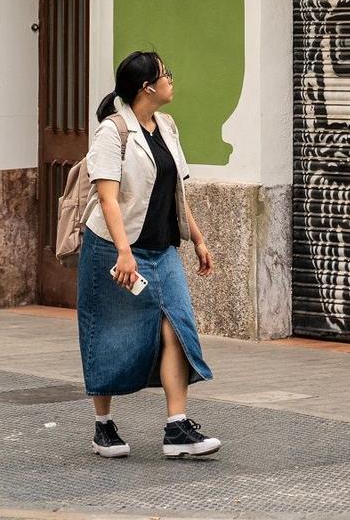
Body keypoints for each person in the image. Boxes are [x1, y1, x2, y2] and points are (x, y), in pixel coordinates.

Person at [77, 51, 219, 461]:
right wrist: (123, 251)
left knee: (178, 326)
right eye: (165, 75)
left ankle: (177, 427)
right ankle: (103, 426)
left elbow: (178, 191)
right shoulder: (112, 132)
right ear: (147, 88)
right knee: (107, 333)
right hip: (113, 248)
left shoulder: (168, 126)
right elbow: (107, 199)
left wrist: (198, 238)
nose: (172, 80)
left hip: (161, 248)